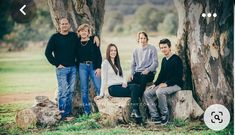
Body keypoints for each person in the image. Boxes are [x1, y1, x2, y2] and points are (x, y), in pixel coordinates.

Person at [96, 44, 142, 118]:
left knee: (137, 83)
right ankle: (135, 110)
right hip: (113, 88)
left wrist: (124, 82)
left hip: (121, 85)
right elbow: (103, 79)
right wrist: (101, 94)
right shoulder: (105, 63)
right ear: (108, 52)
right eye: (111, 50)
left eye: (115, 50)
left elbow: (123, 75)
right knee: (134, 87)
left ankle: (135, 110)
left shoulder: (117, 62)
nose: (113, 52)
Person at [144, 38, 183, 125]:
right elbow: (161, 75)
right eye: (161, 48)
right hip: (165, 84)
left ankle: (165, 115)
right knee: (147, 93)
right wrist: (155, 84)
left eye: (165, 47)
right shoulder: (164, 60)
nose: (163, 49)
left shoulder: (176, 59)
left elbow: (178, 77)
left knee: (160, 91)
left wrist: (166, 84)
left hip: (176, 84)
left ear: (169, 47)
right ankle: (155, 116)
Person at [45, 17, 77, 121]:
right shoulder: (54, 37)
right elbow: (47, 53)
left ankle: (68, 113)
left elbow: (85, 36)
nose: (64, 25)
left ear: (69, 25)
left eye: (66, 23)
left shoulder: (74, 36)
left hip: (73, 68)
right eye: (62, 24)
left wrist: (95, 37)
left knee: (71, 91)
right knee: (63, 91)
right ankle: (62, 115)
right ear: (59, 26)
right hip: (61, 70)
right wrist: (57, 64)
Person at [77, 23, 102, 115]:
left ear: (88, 32)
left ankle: (102, 109)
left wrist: (98, 67)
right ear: (79, 32)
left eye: (85, 31)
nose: (83, 32)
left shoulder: (93, 41)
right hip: (82, 67)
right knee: (84, 89)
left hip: (93, 66)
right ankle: (87, 111)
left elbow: (99, 55)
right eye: (81, 31)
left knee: (99, 87)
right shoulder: (76, 42)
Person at [130, 31, 158, 97]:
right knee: (131, 82)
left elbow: (155, 63)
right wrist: (132, 74)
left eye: (144, 38)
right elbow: (133, 64)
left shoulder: (152, 48)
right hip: (138, 72)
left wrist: (148, 70)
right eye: (141, 38)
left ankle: (140, 95)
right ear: (138, 39)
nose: (143, 40)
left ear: (147, 39)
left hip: (149, 73)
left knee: (143, 77)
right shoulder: (135, 50)